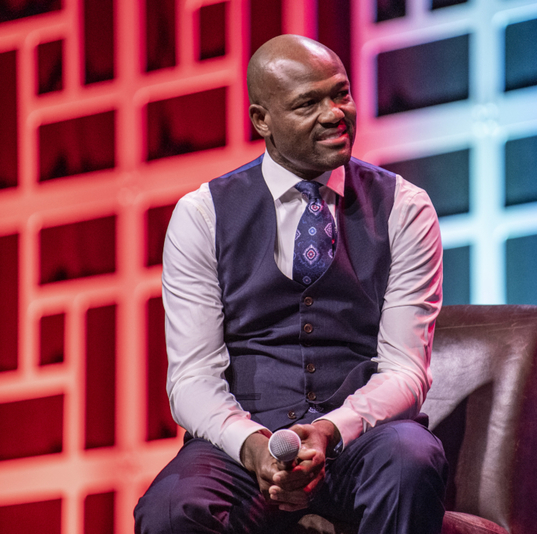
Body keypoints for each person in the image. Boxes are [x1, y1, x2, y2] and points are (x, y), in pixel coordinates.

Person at [134, 34, 447, 534]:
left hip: (359, 443)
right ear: (262, 120)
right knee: (172, 508)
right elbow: (191, 379)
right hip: (243, 445)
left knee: (410, 459)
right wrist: (253, 444)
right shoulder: (202, 215)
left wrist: (329, 430)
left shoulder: (406, 208)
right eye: (308, 103)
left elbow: (406, 370)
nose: (334, 113)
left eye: (340, 94)